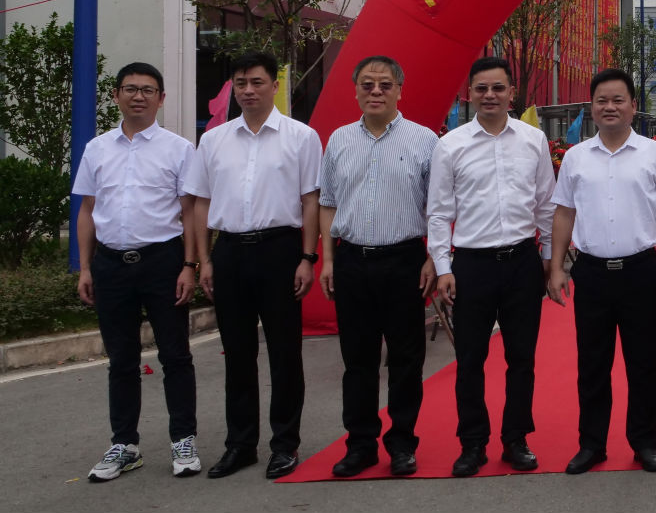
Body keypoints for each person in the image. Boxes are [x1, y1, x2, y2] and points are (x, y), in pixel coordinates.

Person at [185, 51, 322, 480]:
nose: (248, 91)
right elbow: (201, 203)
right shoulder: (214, 140)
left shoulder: (301, 137)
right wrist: (205, 259)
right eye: (241, 83)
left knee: (285, 353)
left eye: (257, 82)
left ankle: (285, 444)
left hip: (280, 250)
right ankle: (240, 444)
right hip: (229, 253)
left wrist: (307, 257)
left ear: (273, 86)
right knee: (238, 354)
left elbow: (311, 200)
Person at [546, 68, 656, 475]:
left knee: (644, 364)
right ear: (592, 107)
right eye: (602, 100)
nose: (610, 107)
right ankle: (592, 444)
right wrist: (556, 268)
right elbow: (564, 213)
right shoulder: (575, 157)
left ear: (633, 106)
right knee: (592, 364)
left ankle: (645, 443)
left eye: (618, 100)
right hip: (591, 273)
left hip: (640, 271)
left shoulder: (655, 154)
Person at [73, 62, 203, 482]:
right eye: (130, 89)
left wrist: (190, 266)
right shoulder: (97, 149)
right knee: (121, 360)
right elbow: (87, 209)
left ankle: (183, 439)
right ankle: (124, 444)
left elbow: (189, 212)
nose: (139, 96)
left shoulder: (178, 149)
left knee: (175, 355)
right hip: (111, 265)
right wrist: (85, 267)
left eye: (148, 90)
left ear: (161, 99)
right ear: (116, 95)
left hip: (162, 263)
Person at [427, 56, 555, 477]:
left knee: (521, 358)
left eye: (498, 88)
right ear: (469, 93)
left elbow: (545, 205)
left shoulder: (533, 140)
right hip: (472, 266)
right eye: (481, 88)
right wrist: (443, 267)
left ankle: (516, 438)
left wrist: (549, 260)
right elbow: (439, 212)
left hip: (521, 262)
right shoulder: (451, 145)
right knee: (470, 359)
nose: (490, 96)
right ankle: (473, 443)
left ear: (511, 93)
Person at [316, 55, 438, 478]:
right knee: (358, 360)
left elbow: (439, 206)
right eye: (367, 84)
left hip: (405, 261)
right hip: (352, 261)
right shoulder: (339, 140)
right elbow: (327, 203)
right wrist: (328, 259)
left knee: (406, 359)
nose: (376, 91)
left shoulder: (424, 140)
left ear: (399, 90)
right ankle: (360, 444)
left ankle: (402, 443)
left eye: (385, 84)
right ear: (355, 90)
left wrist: (433, 258)